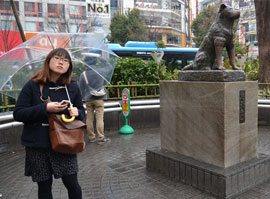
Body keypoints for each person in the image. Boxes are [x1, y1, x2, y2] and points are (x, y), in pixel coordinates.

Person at [13, 48, 85, 199]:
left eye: (66, 60)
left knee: (72, 184)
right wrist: (45, 108)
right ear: (48, 61)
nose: (61, 62)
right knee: (44, 188)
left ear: (69, 66)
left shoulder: (72, 86)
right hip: (38, 145)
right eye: (58, 58)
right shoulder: (32, 85)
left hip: (65, 143)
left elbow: (82, 113)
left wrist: (78, 112)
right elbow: (18, 113)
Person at [79, 55, 110, 144]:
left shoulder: (83, 74)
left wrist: (83, 96)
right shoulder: (101, 71)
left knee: (89, 118)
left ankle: (91, 138)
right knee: (100, 118)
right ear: (95, 61)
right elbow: (109, 67)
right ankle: (101, 137)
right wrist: (102, 58)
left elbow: (81, 88)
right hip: (99, 98)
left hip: (88, 98)